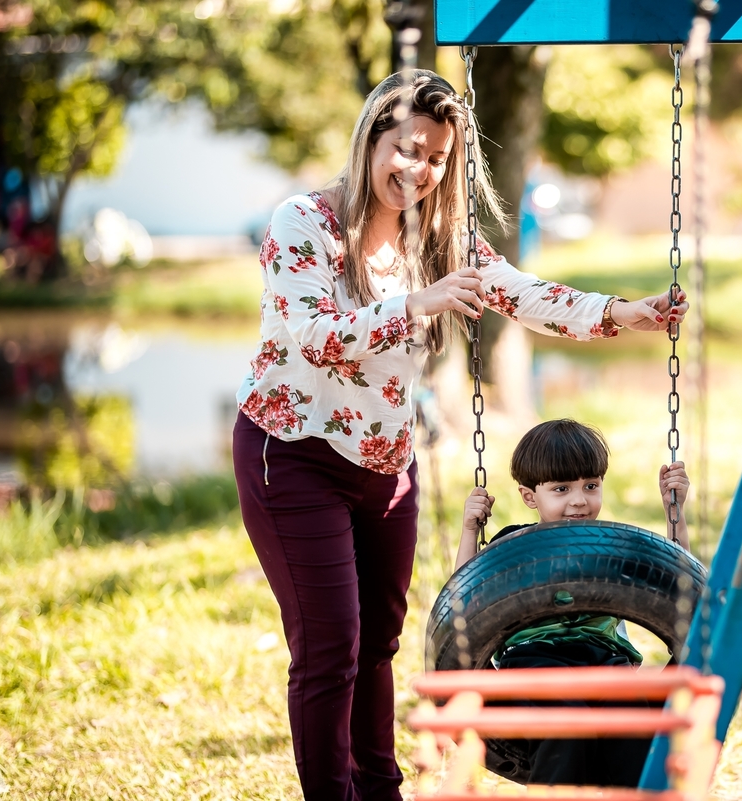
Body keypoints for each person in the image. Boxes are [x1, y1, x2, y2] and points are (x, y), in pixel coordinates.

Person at [231, 70, 689, 801]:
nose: (416, 169)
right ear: (371, 137)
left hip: (385, 464)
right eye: (405, 147)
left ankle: (380, 790)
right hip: (293, 453)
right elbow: (314, 336)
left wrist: (626, 312)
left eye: (436, 157)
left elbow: (526, 295)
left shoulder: (441, 239)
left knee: (378, 640)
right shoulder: (304, 223)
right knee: (330, 646)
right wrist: (421, 300)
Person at [456, 419, 691, 786]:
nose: (579, 500)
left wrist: (674, 512)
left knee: (631, 715)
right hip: (535, 663)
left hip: (607, 663)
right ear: (530, 496)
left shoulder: (610, 546)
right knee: (563, 721)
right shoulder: (512, 545)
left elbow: (678, 586)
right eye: (561, 488)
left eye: (591, 485)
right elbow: (462, 601)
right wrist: (471, 530)